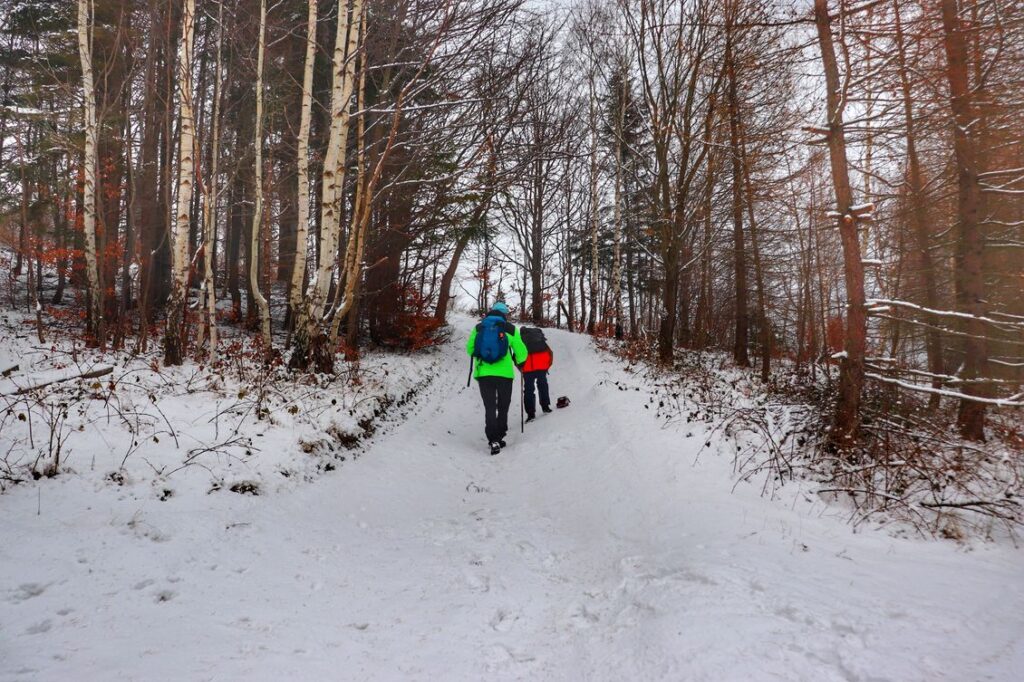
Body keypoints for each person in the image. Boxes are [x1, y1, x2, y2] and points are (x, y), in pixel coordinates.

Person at [466, 302, 529, 455]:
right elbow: (521, 352)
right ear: (504, 314)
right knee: (503, 406)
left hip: (484, 374)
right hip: (505, 375)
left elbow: (470, 349)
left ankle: (492, 439)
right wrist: (520, 361)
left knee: (490, 407)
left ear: (491, 312)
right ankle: (500, 436)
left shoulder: (479, 327)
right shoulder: (510, 328)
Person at [520, 327, 553, 423]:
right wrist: (547, 366)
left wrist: (521, 368)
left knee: (529, 390)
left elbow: (516, 355)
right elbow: (550, 353)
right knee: (543, 386)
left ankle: (531, 414)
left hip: (527, 368)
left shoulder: (521, 340)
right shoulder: (539, 338)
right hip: (541, 366)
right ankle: (546, 407)